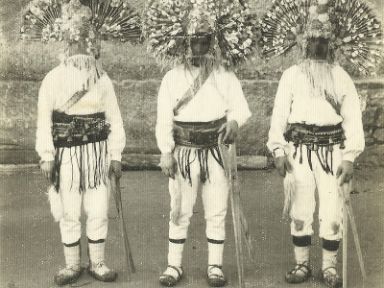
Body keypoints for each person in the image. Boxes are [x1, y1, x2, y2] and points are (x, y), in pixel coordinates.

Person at [260, 0, 382, 286]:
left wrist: (350, 157)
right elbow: (279, 116)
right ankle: (301, 264)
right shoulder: (291, 76)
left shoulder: (341, 78)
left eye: (323, 40)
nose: (318, 46)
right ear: (305, 41)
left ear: (332, 43)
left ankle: (329, 268)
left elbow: (352, 119)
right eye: (313, 40)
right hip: (298, 151)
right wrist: (277, 150)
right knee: (300, 208)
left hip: (333, 153)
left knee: (332, 210)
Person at [21, 0, 141, 285]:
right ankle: (72, 265)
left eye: (87, 43)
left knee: (98, 208)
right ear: (66, 43)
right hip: (66, 156)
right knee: (69, 209)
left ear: (94, 45)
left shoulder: (103, 79)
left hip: (98, 154)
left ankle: (97, 262)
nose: (81, 50)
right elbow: (43, 121)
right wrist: (46, 155)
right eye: (75, 42)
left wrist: (116, 155)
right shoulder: (52, 79)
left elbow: (114, 119)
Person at [145, 0, 256, 286]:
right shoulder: (171, 78)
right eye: (194, 41)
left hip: (216, 152)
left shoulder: (225, 75)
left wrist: (233, 122)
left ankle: (215, 266)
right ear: (184, 42)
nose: (198, 47)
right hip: (183, 152)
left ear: (213, 41)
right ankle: (173, 266)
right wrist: (166, 153)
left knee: (216, 208)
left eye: (204, 41)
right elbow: (163, 119)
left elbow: (240, 109)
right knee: (180, 208)